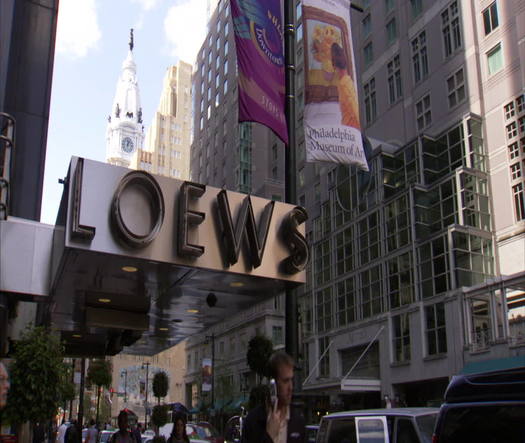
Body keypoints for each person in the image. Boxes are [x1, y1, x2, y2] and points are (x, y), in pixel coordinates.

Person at [241, 351, 305, 443]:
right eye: (285, 381)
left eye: (291, 380)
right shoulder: (253, 421)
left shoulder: (298, 421)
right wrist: (269, 436)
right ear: (272, 385)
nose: (291, 387)